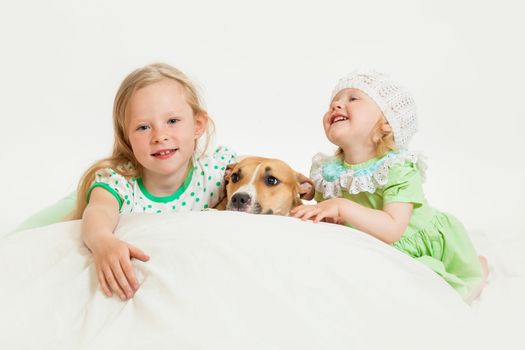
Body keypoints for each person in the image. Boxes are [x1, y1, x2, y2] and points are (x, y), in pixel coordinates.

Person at [291, 70, 488, 302]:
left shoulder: (398, 167)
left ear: (386, 122)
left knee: (433, 291)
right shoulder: (328, 171)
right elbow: (331, 210)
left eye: (353, 98)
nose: (336, 105)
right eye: (333, 102)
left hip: (412, 245)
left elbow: (393, 229)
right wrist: (309, 194)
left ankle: (477, 271)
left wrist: (341, 206)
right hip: (369, 245)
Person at [72, 63, 236, 301]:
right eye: (143, 127)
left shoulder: (217, 173)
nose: (160, 136)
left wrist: (310, 203)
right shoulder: (120, 183)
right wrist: (103, 241)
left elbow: (270, 180)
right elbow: (98, 211)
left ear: (197, 125)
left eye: (172, 121)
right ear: (126, 137)